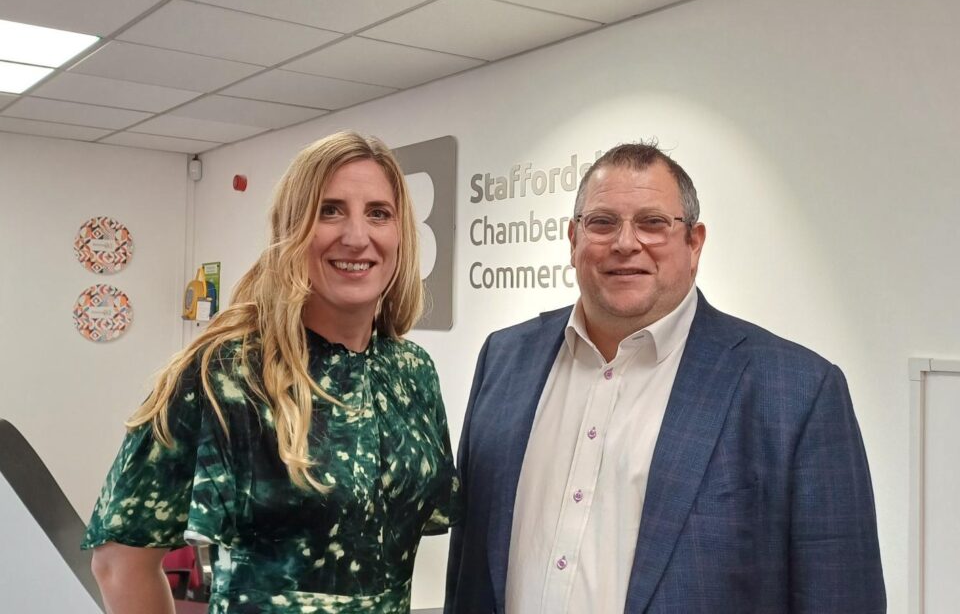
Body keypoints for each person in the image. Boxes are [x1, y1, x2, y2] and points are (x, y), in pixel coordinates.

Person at [445, 142, 885, 613]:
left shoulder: (796, 393)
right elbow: (467, 567)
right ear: (573, 239)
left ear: (694, 243)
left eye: (653, 223)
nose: (625, 243)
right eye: (602, 222)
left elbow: (841, 596)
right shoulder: (504, 359)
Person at [84, 131, 459, 614]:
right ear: (292, 228)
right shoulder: (226, 371)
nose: (356, 236)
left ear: (400, 233)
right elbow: (119, 563)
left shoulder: (412, 373)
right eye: (330, 210)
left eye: (378, 214)